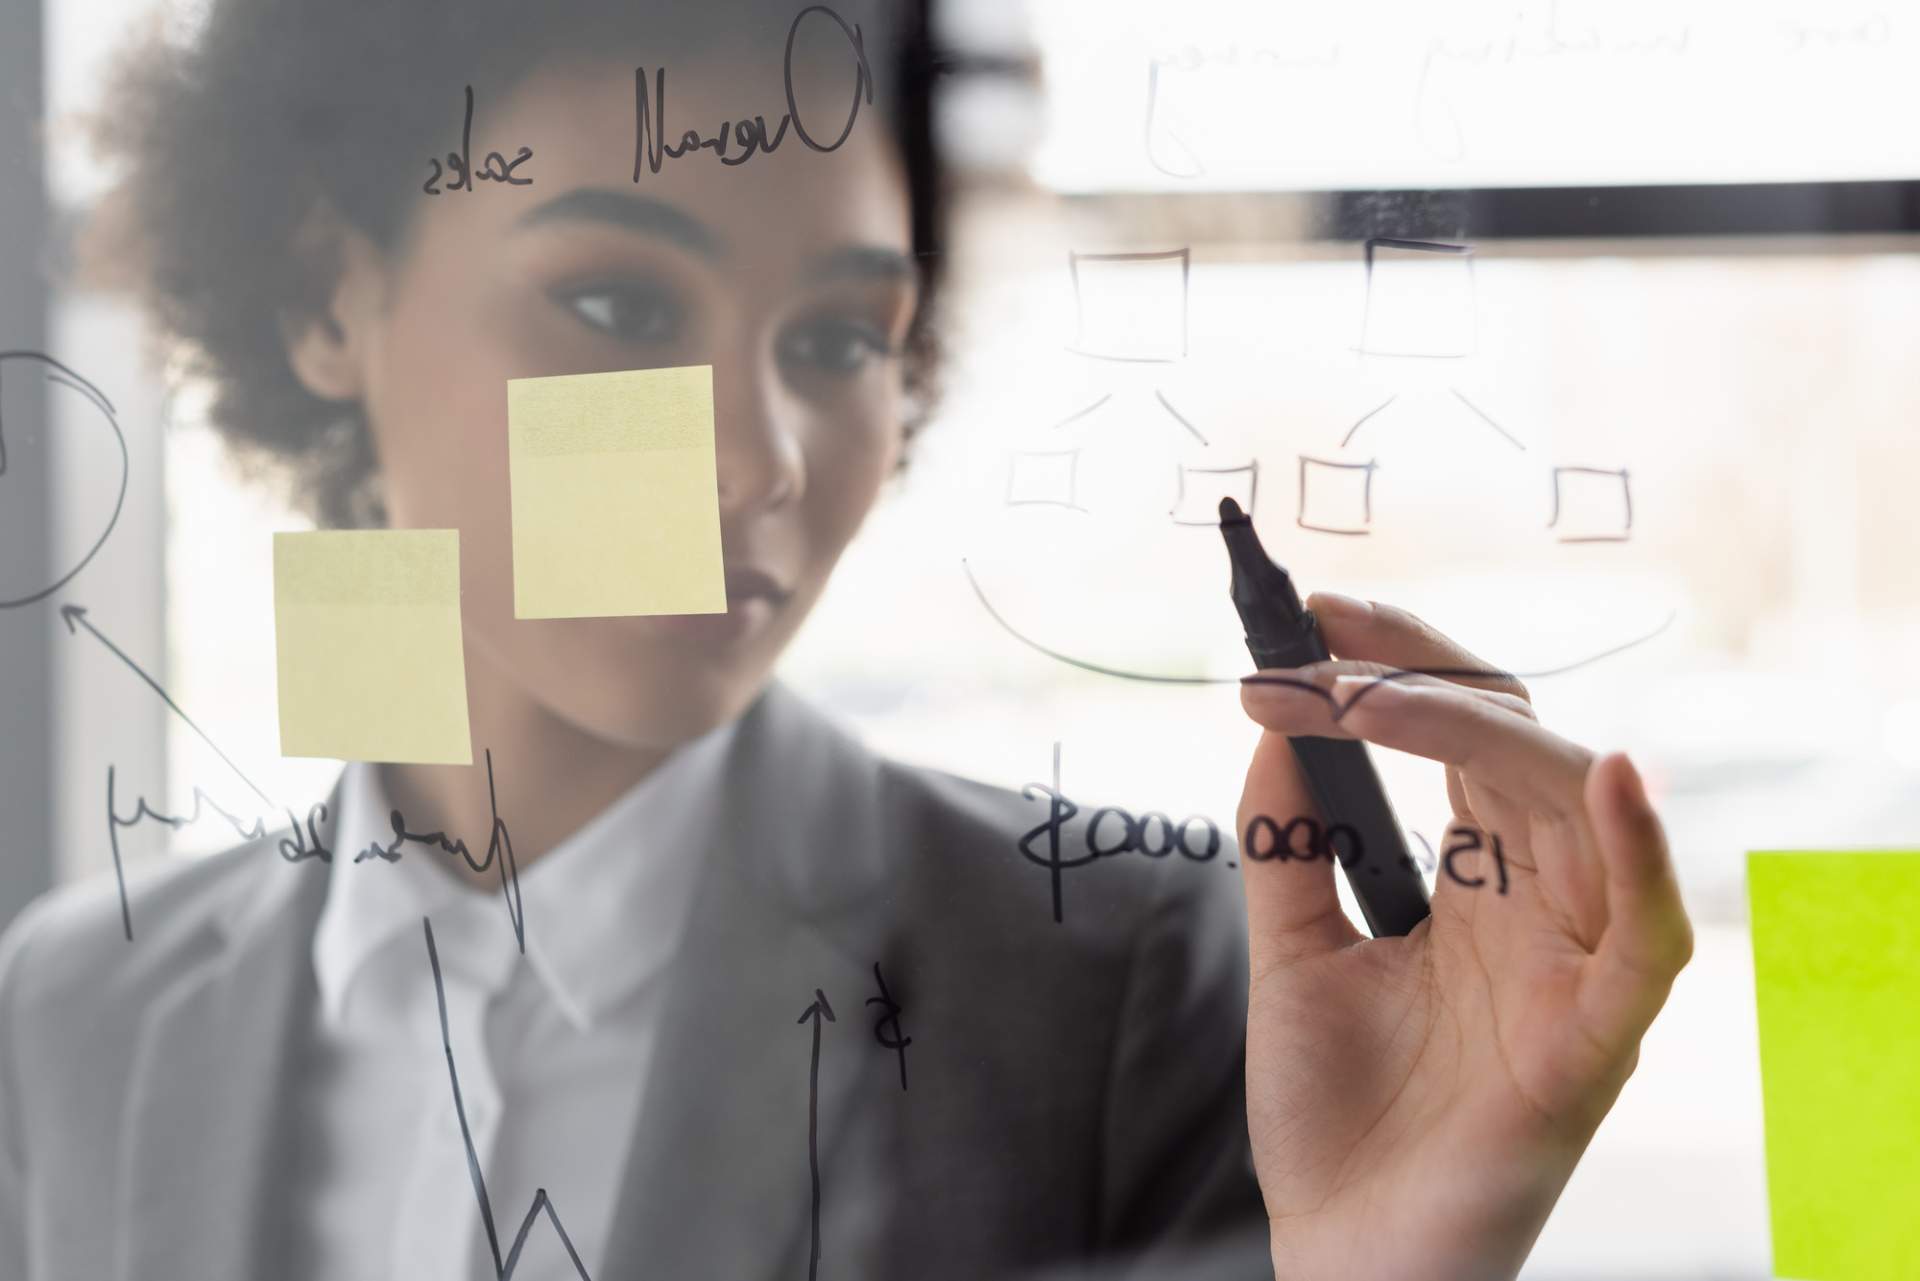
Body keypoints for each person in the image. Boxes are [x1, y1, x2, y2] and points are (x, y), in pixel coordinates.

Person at [0, 1, 1693, 1278]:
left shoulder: (1177, 1002)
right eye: (620, 308)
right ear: (324, 300)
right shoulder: (79, 1011)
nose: (756, 462)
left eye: (835, 336)